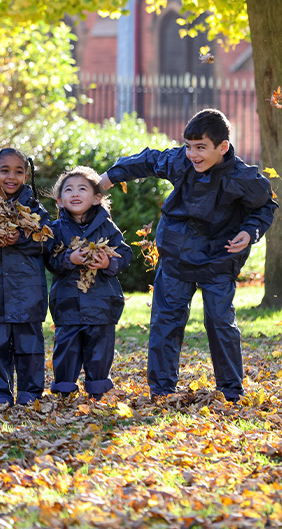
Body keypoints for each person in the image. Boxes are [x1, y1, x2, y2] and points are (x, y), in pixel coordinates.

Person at [100, 109, 277, 401]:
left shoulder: (243, 177)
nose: (192, 154)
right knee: (166, 320)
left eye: (201, 148)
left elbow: (265, 206)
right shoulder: (180, 161)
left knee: (220, 321)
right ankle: (161, 389)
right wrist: (107, 178)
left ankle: (231, 390)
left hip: (220, 258)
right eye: (188, 146)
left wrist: (250, 231)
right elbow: (147, 160)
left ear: (222, 147)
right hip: (176, 254)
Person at [0, 148, 51, 406]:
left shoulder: (36, 209)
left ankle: (29, 395)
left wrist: (21, 238)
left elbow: (49, 242)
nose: (11, 177)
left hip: (28, 294)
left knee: (29, 348)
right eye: (5, 170)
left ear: (26, 175)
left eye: (18, 171)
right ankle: (0, 396)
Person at [47, 166, 132, 398]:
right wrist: (69, 258)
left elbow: (125, 255)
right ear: (60, 201)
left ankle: (98, 390)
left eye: (82, 189)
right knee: (66, 348)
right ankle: (64, 390)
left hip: (102, 303)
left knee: (100, 349)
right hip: (68, 303)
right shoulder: (55, 230)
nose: (75, 193)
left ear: (96, 198)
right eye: (69, 190)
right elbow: (49, 260)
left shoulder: (107, 227)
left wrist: (107, 263)